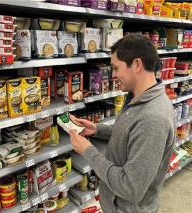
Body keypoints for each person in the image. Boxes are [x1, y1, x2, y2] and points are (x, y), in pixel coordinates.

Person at [69, 33, 175, 213]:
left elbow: (130, 188)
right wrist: (96, 130)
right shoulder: (138, 97)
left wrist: (88, 151)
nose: (113, 75)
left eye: (116, 68)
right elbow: (131, 134)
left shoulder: (153, 119)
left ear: (136, 65)